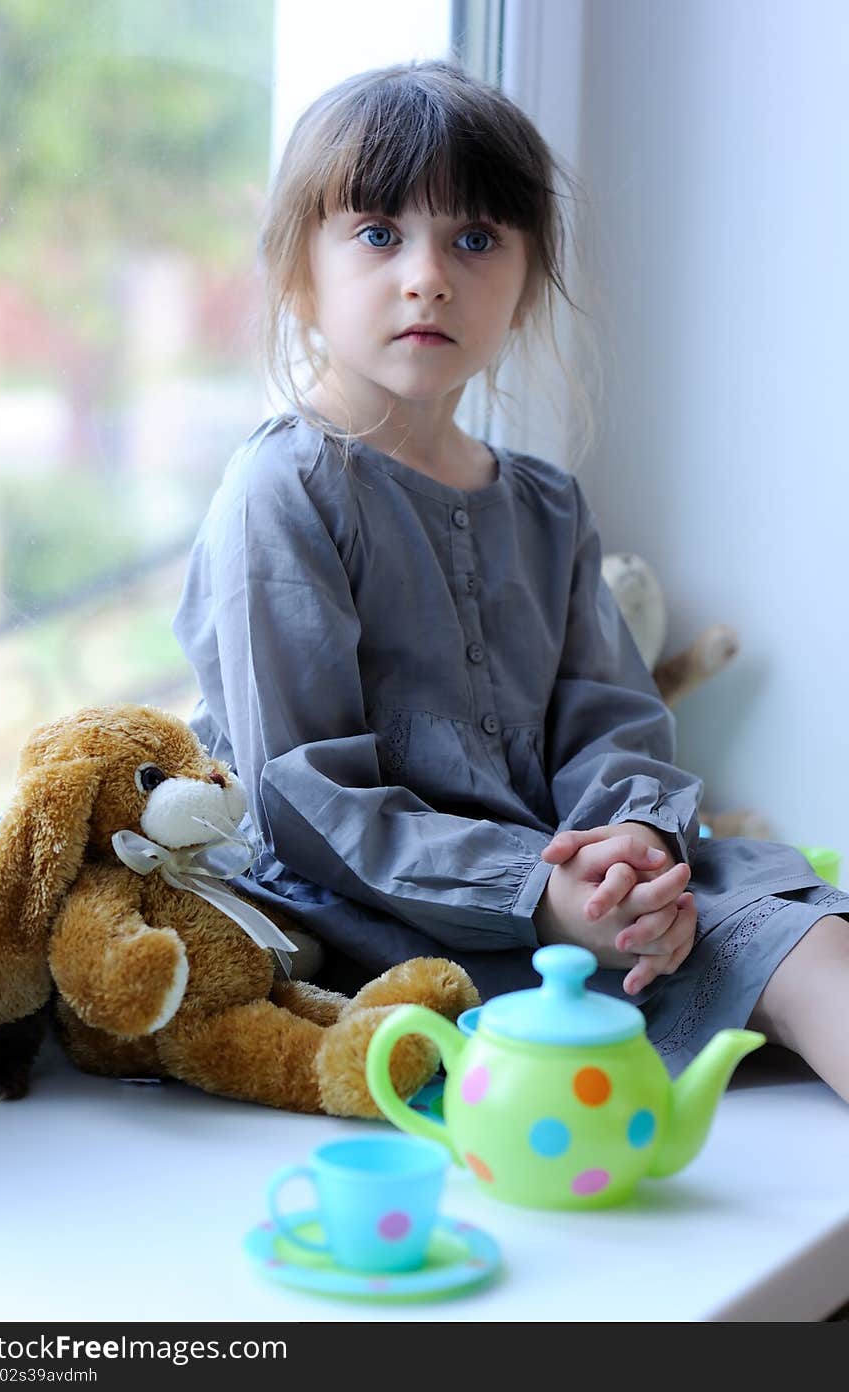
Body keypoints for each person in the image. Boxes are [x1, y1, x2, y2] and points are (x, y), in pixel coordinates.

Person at [173, 60, 849, 1098]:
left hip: (572, 879)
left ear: (527, 281)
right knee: (787, 970)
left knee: (815, 938)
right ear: (298, 274)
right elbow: (303, 799)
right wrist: (539, 893)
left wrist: (629, 841)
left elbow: (609, 722)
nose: (428, 275)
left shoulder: (544, 505)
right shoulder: (283, 489)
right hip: (385, 910)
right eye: (377, 234)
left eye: (475, 239)